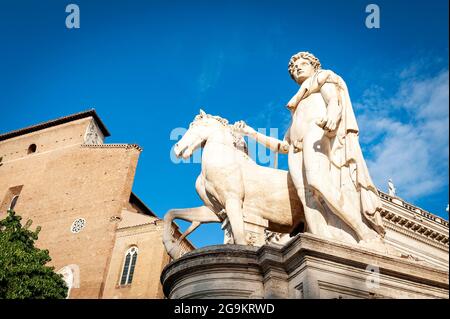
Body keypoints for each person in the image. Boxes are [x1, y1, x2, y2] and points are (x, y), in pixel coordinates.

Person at [234, 51, 385, 243]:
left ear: (314, 66)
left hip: (316, 133)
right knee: (306, 198)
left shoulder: (322, 78)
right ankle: (323, 239)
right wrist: (251, 132)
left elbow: (334, 101)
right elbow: (283, 146)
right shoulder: (298, 105)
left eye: (302, 64)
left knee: (318, 181)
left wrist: (332, 115)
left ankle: (363, 232)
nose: (297, 68)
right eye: (294, 68)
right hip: (295, 149)